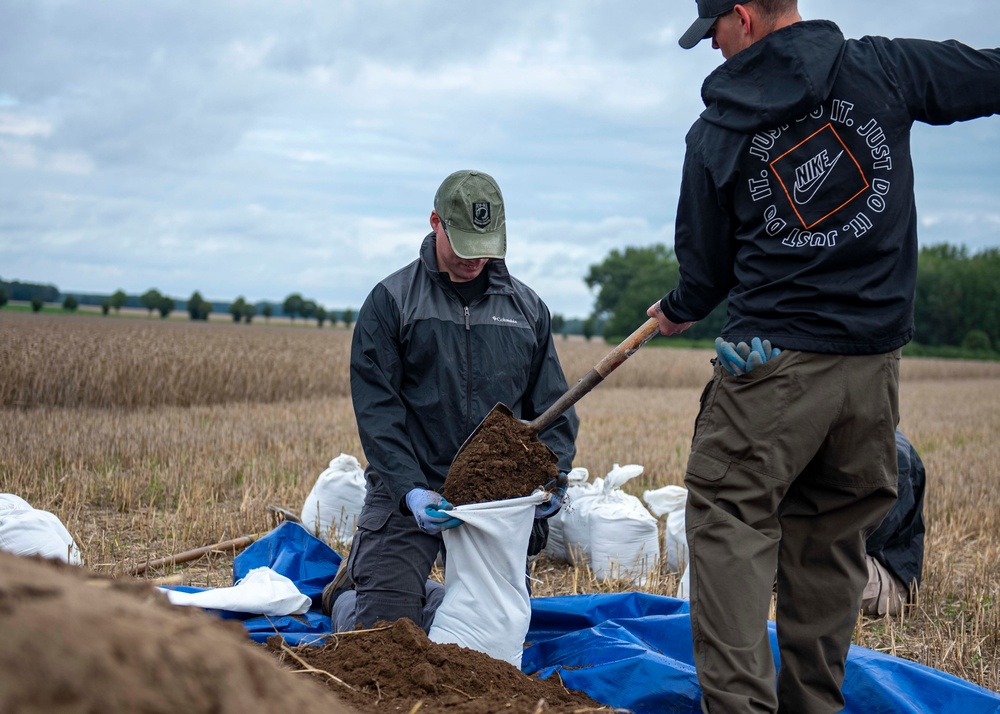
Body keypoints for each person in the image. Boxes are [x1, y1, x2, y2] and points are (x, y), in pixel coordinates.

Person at [647, 2, 1000, 712]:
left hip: (766, 365)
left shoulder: (715, 133)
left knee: (728, 518)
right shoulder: (886, 67)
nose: (711, 49)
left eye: (712, 31)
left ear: (743, 16)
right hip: (872, 379)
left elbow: (708, 271)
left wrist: (680, 305)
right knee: (829, 541)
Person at [328, 169, 578, 632]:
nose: (474, 260)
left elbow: (554, 409)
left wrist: (554, 476)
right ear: (434, 223)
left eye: (485, 247)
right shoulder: (391, 302)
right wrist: (409, 489)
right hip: (412, 486)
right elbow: (378, 414)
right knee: (382, 639)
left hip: (493, 500)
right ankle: (349, 595)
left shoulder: (527, 310)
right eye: (462, 244)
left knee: (491, 639)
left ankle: (433, 599)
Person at [862, 428, 926, 618]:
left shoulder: (894, 457)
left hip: (889, 581)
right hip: (855, 558)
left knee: (792, 572)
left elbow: (861, 538)